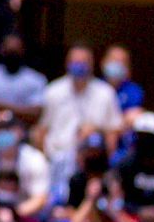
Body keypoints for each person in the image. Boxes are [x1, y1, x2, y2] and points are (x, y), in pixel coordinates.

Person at [35, 45, 123, 196]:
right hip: (57, 159)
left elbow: (113, 132)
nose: (79, 66)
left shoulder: (106, 93)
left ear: (92, 64)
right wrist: (44, 162)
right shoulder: (53, 91)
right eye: (75, 62)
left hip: (91, 166)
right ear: (67, 63)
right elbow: (41, 131)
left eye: (83, 62)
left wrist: (104, 163)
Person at [0, 34, 46, 125]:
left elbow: (36, 112)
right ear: (1, 50)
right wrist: (20, 111)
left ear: (23, 51)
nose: (12, 55)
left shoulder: (36, 79)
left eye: (15, 52)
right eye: (9, 51)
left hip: (23, 135)